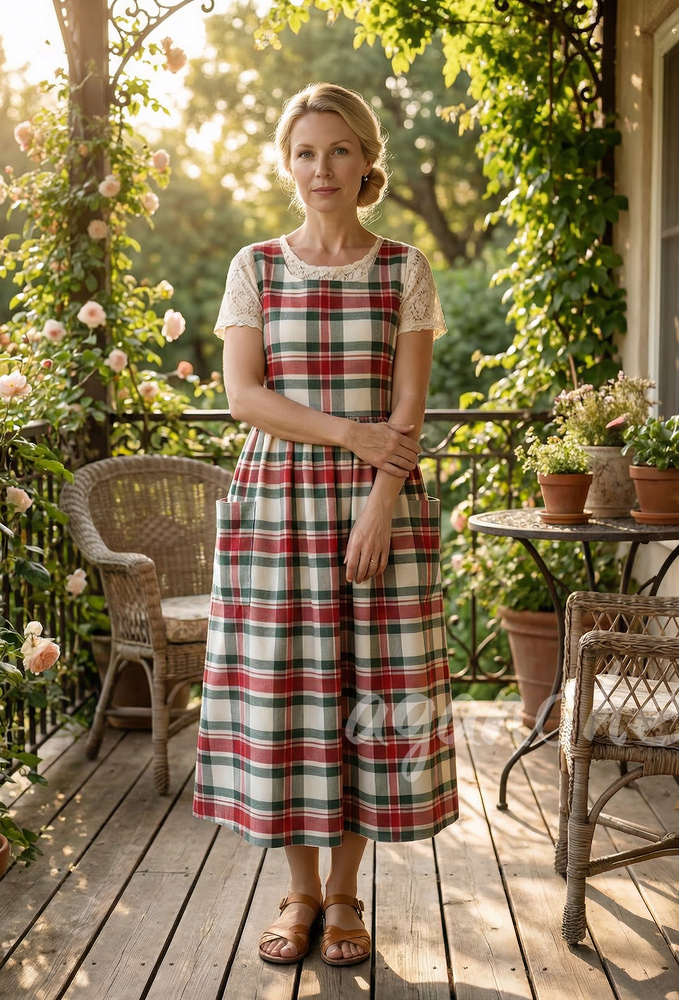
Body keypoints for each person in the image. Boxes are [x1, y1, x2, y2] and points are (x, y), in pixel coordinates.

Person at [193, 82, 458, 968]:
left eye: (339, 150)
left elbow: (410, 406)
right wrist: (349, 433)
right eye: (306, 152)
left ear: (367, 159)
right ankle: (299, 893)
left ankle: (346, 896)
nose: (322, 169)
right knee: (290, 701)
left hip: (380, 506)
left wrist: (379, 501)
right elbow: (244, 397)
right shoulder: (255, 267)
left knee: (370, 699)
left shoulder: (403, 267)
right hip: (278, 509)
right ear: (287, 162)